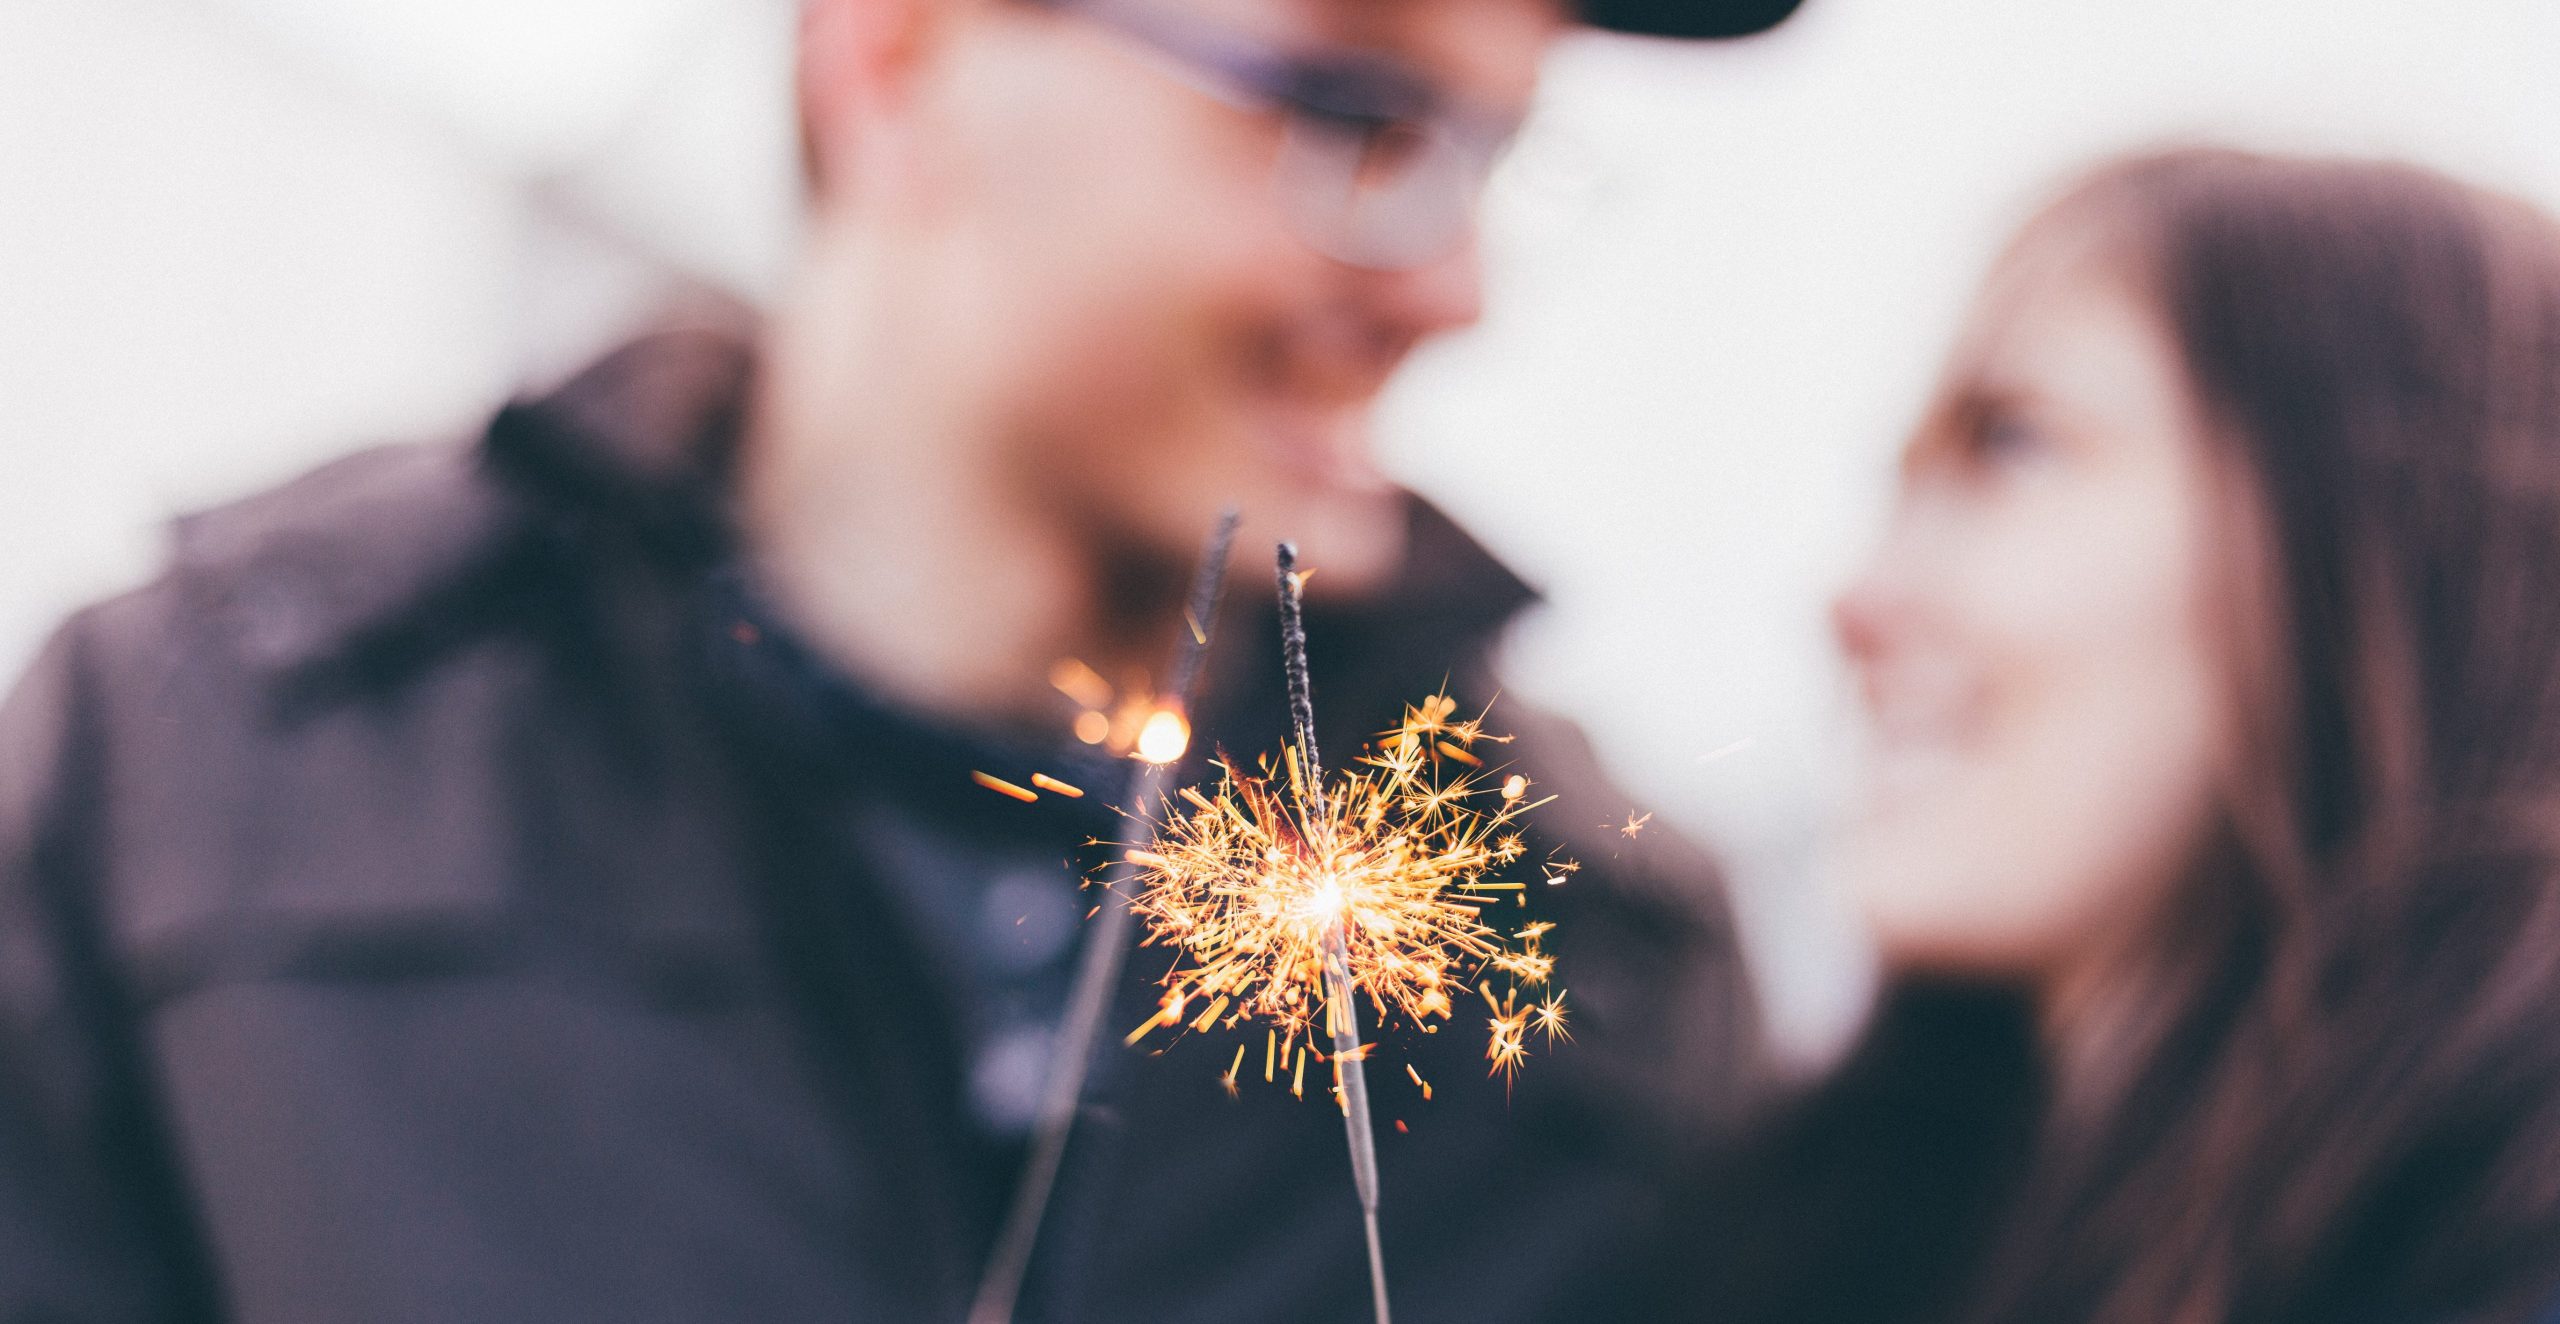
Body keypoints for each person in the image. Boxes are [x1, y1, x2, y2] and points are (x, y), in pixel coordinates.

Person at [0, 0, 1804, 1319]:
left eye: (1494, 152)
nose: (1454, 281)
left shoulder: (1591, 975)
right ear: (901, 64)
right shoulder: (204, 766)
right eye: (1356, 118)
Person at [1640, 147, 2560, 1324]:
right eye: (1904, 483)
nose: (1857, 601)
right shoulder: (1796, 1235)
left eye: (2012, 447)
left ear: (2398, 545)